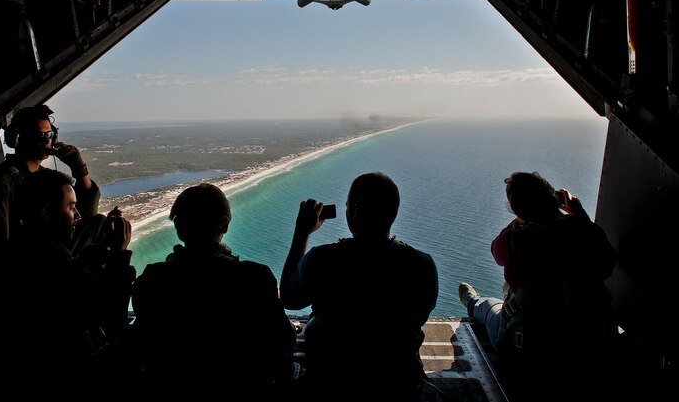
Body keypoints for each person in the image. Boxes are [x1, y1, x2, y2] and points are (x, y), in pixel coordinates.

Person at [458, 171, 618, 402]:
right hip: (591, 347)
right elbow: (608, 261)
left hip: (531, 354)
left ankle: (472, 303)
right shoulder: (586, 231)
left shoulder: (515, 237)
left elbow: (497, 251)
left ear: (517, 209)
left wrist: (523, 218)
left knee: (491, 309)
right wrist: (579, 215)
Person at [0, 169, 135, 393]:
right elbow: (112, 317)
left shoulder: (13, 253)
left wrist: (103, 249)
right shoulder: (53, 267)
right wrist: (119, 256)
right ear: (46, 211)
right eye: (71, 206)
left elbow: (70, 268)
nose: (77, 215)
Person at [280, 172, 438, 399]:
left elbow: (288, 297)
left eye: (347, 206)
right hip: (397, 380)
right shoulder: (422, 265)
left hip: (332, 379)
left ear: (354, 210)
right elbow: (418, 316)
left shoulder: (322, 259)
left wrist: (301, 233)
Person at [130, 183, 297, 399]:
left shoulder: (152, 279)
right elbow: (283, 340)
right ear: (225, 225)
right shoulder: (254, 278)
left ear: (178, 225)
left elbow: (143, 341)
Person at [0, 104, 103, 263]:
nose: (47, 140)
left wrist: (79, 169)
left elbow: (86, 211)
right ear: (18, 138)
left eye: (50, 134)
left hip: (50, 253)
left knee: (98, 222)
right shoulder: (3, 183)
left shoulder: (46, 176)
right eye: (40, 135)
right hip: (30, 262)